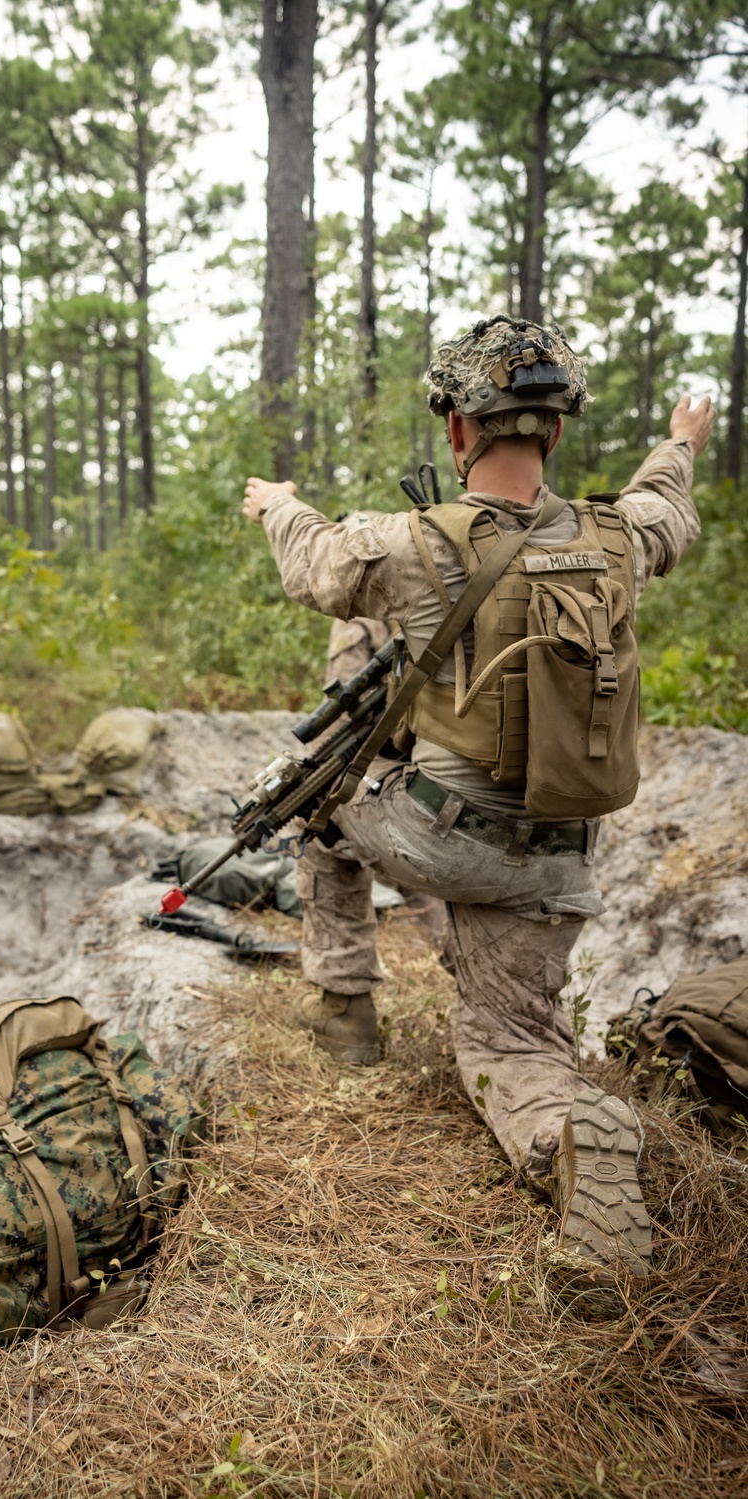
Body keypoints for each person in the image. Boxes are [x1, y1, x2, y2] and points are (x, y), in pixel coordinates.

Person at [241, 314, 715, 1283]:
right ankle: (566, 1124)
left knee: (319, 796)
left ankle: (345, 1012)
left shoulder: (408, 542)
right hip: (557, 858)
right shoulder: (617, 536)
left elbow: (315, 566)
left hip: (440, 839)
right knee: (508, 1041)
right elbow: (668, 507)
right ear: (554, 434)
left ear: (457, 431)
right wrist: (679, 439)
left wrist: (280, 504)